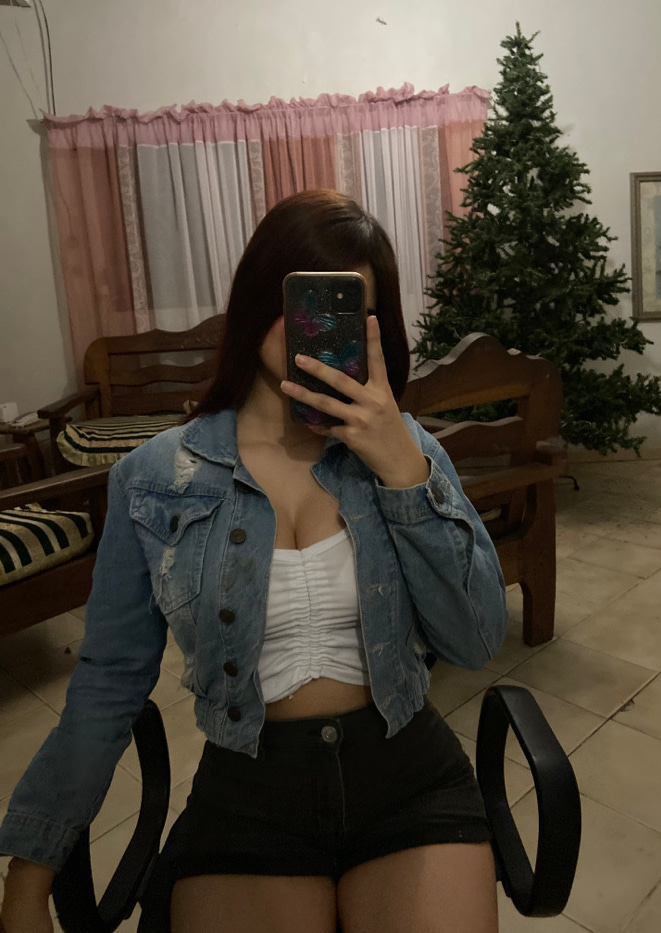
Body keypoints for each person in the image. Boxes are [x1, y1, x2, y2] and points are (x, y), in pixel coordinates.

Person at [0, 190, 507, 933]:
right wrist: (29, 872)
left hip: (407, 772)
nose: (313, 330)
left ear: (374, 329)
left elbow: (476, 639)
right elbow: (108, 681)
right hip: (249, 788)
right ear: (256, 299)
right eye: (300, 300)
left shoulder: (407, 451)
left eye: (344, 309)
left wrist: (403, 470)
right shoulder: (153, 479)